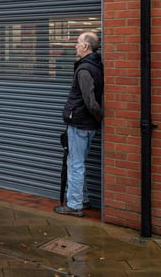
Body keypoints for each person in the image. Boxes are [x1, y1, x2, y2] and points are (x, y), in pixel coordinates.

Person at [54, 31, 104, 217]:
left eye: (78, 42)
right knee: (78, 162)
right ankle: (83, 198)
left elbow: (90, 101)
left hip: (80, 124)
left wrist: (98, 117)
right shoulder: (96, 66)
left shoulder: (84, 70)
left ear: (85, 46)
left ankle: (74, 205)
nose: (75, 46)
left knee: (75, 164)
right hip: (87, 124)